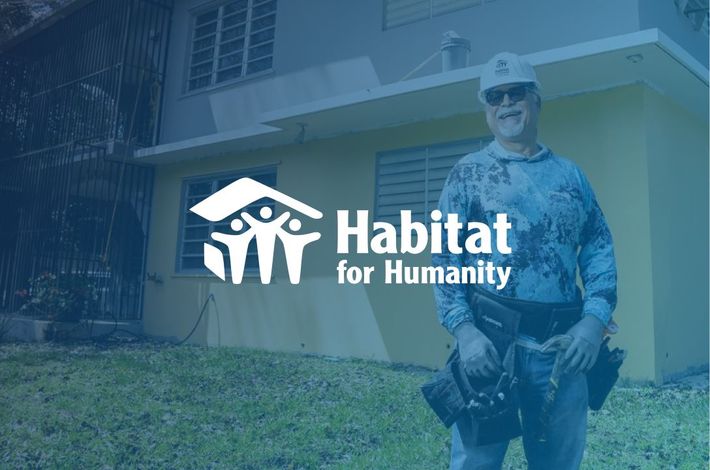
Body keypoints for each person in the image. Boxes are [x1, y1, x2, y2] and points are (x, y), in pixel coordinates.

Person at [433, 52, 617, 469]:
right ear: (486, 111)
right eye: (494, 97)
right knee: (475, 463)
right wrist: (464, 332)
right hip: (490, 348)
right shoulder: (468, 173)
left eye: (516, 93)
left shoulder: (571, 177)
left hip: (564, 351)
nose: (505, 103)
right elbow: (445, 255)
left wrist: (593, 323)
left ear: (536, 101)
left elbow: (599, 249)